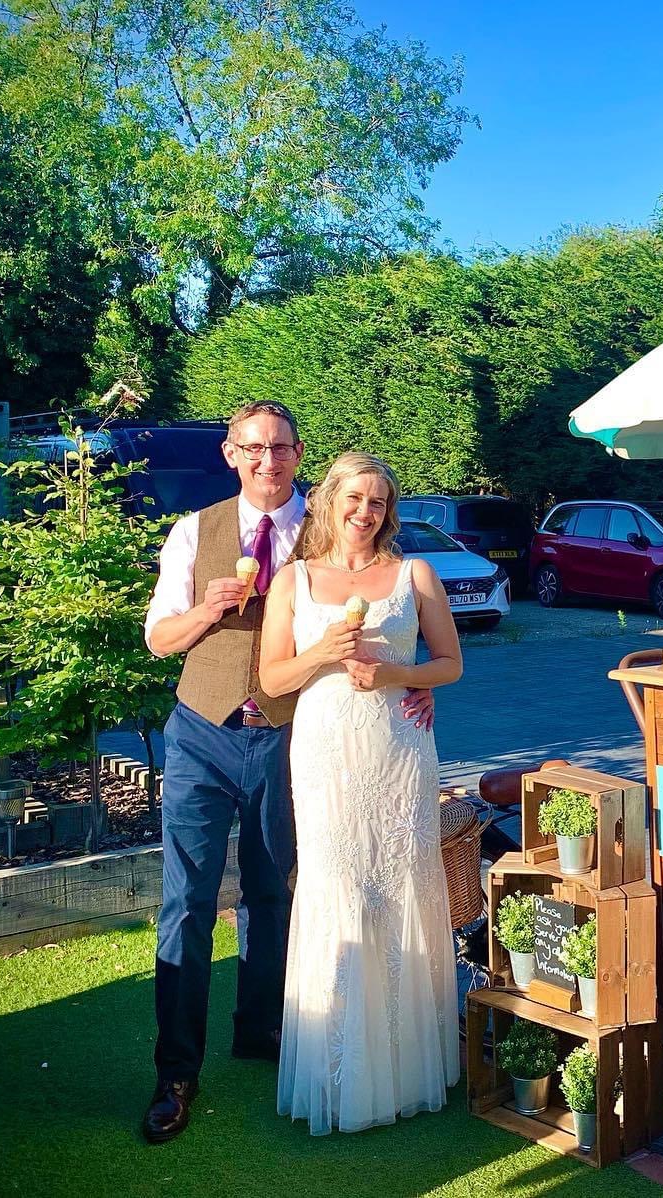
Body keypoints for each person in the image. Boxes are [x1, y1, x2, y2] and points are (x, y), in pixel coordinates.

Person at [141, 403, 432, 1144]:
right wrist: (206, 611)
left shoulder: (329, 529)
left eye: (280, 448)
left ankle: (263, 1029)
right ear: (230, 454)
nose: (267, 460)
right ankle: (176, 1072)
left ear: (299, 455)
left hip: (292, 737)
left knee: (274, 894)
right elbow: (158, 640)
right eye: (253, 448)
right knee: (188, 902)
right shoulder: (193, 532)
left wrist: (410, 678)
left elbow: (392, 614)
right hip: (202, 732)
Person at [259, 452, 463, 1135]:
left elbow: (450, 663)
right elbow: (273, 680)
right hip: (325, 754)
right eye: (354, 498)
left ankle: (405, 1065)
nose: (365, 512)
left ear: (388, 512)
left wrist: (400, 675)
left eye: (377, 502)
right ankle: (338, 1068)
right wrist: (323, 652)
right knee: (338, 884)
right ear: (328, 501)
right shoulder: (293, 580)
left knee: (401, 882)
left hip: (399, 751)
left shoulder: (414, 575)